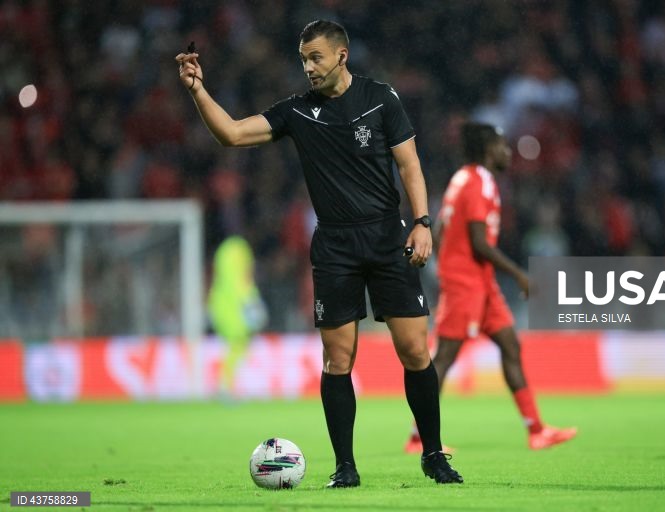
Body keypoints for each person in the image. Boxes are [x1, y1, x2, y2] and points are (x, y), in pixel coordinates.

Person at [177, 20, 462, 486]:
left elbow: (409, 164)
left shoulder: (380, 98)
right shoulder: (297, 111)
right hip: (335, 246)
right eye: (303, 59)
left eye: (316, 58)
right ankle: (345, 466)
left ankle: (433, 454)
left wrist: (423, 222)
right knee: (338, 359)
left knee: (414, 350)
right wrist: (197, 91)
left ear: (341, 56)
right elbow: (231, 134)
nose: (308, 67)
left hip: (388, 238)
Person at [404, 123, 577, 453]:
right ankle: (418, 437)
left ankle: (537, 431)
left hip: (479, 282)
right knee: (445, 356)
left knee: (510, 345)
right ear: (488, 149)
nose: (508, 152)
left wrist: (447, 264)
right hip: (466, 283)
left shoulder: (461, 179)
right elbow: (479, 243)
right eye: (502, 146)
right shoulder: (479, 183)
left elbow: (440, 232)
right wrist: (519, 275)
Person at [207, 236, 269, 398]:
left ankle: (226, 385)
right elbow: (243, 284)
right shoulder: (241, 254)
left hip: (219, 304)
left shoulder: (223, 252)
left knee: (234, 347)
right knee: (237, 346)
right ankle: (225, 386)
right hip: (236, 310)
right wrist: (254, 303)